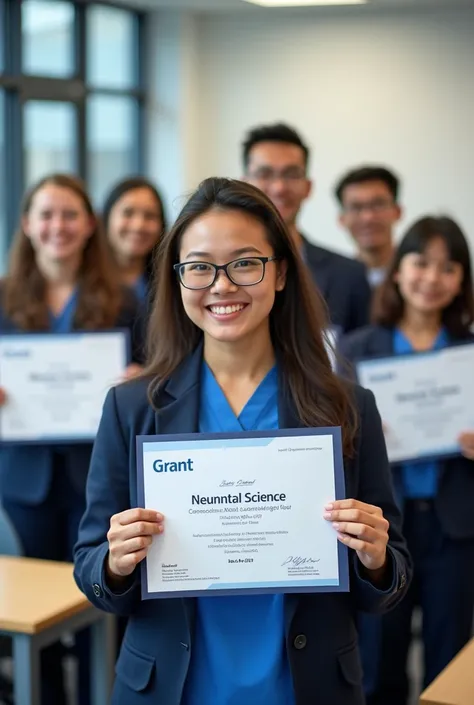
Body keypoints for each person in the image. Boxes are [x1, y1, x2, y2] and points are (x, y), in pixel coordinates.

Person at [74, 177, 411, 705]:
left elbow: (391, 577)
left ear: (279, 273)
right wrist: (114, 563)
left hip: (306, 686)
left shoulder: (349, 406)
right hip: (171, 687)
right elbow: (90, 564)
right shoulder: (132, 406)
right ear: (178, 279)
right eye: (201, 266)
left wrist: (376, 558)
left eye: (245, 263)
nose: (222, 285)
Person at [0, 174, 145, 705]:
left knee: (98, 608)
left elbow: (162, 373)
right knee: (33, 616)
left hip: (98, 478)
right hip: (22, 482)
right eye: (46, 214)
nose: (57, 226)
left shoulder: (127, 301)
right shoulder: (1, 296)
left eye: (69, 215)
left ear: (89, 225)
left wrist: (142, 377)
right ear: (27, 225)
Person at [338, 216, 474, 705]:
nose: (431, 278)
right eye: (420, 263)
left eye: (448, 267)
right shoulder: (356, 351)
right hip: (380, 527)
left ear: (462, 280)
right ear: (398, 270)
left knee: (450, 662)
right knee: (377, 663)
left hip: (455, 529)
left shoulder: (469, 353)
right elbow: (331, 446)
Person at [243, 123, 371, 334]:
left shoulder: (349, 274)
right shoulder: (219, 274)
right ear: (245, 184)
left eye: (291, 174)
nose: (279, 187)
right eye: (265, 174)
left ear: (308, 187)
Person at [334, 166, 402, 289]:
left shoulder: (419, 279)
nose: (368, 217)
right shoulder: (333, 281)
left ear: (397, 212)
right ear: (342, 219)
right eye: (356, 207)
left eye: (378, 204)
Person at [102, 176, 166, 303]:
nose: (138, 226)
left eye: (149, 216)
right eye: (128, 213)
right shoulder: (79, 280)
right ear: (108, 218)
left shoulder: (171, 281)